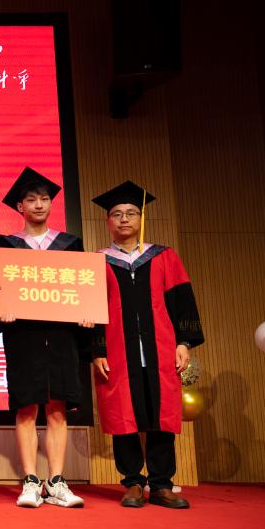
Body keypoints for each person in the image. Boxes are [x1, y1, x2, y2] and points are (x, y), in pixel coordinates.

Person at [90, 181, 204, 509]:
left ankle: (162, 484)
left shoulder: (164, 257)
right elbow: (91, 312)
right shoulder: (97, 262)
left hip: (161, 348)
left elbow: (183, 301)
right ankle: (133, 483)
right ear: (107, 222)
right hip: (117, 351)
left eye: (131, 213)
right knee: (122, 414)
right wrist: (97, 350)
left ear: (141, 219)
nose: (124, 219)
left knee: (161, 413)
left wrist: (184, 342)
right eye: (117, 214)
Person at [0, 167, 91, 509]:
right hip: (24, 337)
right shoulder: (5, 246)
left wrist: (86, 312)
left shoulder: (70, 245)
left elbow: (83, 289)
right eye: (31, 199)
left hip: (62, 336)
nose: (39, 204)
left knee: (58, 407)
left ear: (51, 204)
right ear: (19, 206)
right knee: (26, 406)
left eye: (45, 199)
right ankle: (31, 481)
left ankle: (57, 481)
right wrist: (1, 308)